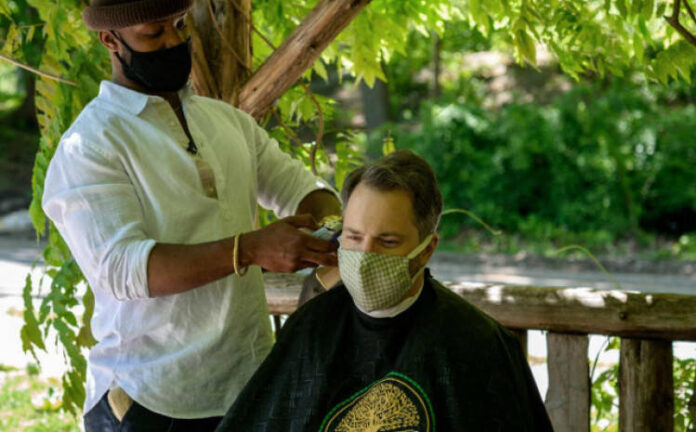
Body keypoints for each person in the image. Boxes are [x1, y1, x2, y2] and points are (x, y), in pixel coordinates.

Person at [41, 1, 342, 430]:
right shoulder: (91, 145)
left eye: (180, 25)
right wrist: (248, 249)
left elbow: (306, 190)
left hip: (247, 387)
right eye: (154, 32)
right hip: (147, 396)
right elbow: (124, 269)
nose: (174, 40)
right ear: (110, 40)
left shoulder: (228, 122)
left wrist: (325, 231)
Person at [216, 150, 554, 431]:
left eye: (387, 242)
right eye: (353, 237)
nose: (365, 257)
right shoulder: (312, 329)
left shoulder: (477, 343)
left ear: (426, 249)